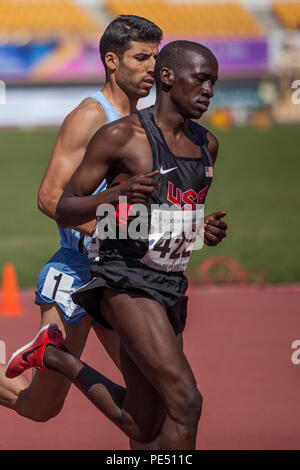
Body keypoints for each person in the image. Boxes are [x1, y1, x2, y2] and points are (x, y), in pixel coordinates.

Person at [6, 40, 225, 450]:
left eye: (213, 82)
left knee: (142, 422)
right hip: (115, 278)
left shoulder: (206, 145)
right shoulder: (109, 126)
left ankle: (54, 357)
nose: (209, 91)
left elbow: (173, 216)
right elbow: (57, 202)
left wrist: (199, 230)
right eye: (201, 80)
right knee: (185, 401)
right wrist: (113, 204)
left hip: (168, 286)